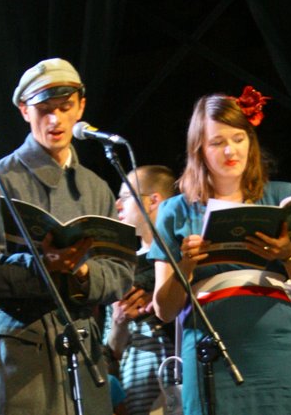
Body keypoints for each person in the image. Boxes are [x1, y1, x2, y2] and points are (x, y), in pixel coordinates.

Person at [0, 57, 134, 415]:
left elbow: (121, 272)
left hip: (84, 348)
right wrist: (42, 266)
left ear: (81, 107)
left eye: (64, 107)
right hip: (22, 350)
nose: (55, 120)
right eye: (44, 110)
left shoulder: (96, 187)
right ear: (24, 110)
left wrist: (83, 271)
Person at [150, 90, 291, 415]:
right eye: (217, 142)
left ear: (250, 142)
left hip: (278, 348)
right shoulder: (175, 210)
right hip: (210, 346)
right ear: (199, 149)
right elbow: (164, 310)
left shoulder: (283, 196)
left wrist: (288, 253)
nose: (231, 150)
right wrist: (186, 264)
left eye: (238, 139)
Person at [105, 165, 177, 415]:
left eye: (125, 196)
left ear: (153, 200)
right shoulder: (119, 267)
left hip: (183, 385)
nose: (117, 205)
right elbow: (112, 351)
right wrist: (119, 320)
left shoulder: (183, 259)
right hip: (137, 394)